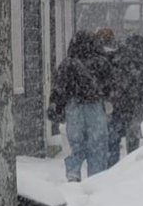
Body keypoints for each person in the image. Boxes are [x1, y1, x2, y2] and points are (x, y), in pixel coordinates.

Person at [48, 31, 113, 182]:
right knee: (97, 146)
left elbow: (59, 87)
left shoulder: (68, 63)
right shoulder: (101, 62)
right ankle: (97, 178)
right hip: (95, 106)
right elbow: (111, 86)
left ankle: (73, 174)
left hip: (74, 106)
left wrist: (56, 107)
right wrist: (109, 101)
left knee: (75, 145)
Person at [107, 34, 143, 166]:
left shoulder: (115, 56)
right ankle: (130, 168)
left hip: (116, 104)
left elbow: (109, 79)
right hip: (133, 105)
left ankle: (112, 169)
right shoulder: (140, 59)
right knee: (132, 141)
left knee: (113, 141)